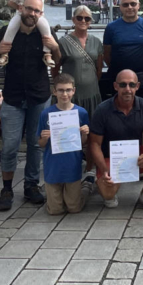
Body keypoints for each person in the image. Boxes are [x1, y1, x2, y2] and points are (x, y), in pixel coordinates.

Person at [0, 0, 61, 211]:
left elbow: (58, 61)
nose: (32, 14)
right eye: (29, 9)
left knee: (35, 144)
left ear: (41, 14)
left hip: (39, 96)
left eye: (37, 11)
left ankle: (31, 185)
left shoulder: (46, 33)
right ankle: (6, 188)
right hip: (13, 96)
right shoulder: (7, 32)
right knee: (11, 145)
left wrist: (55, 47)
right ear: (21, 9)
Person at [89, 70, 143, 212]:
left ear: (137, 86)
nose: (127, 89)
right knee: (109, 196)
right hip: (111, 158)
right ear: (115, 86)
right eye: (123, 85)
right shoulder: (103, 109)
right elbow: (94, 144)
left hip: (135, 156)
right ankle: (105, 180)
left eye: (131, 85)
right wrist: (104, 169)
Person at [58, 5, 104, 193]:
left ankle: (90, 169)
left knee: (93, 133)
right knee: (69, 134)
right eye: (80, 18)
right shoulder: (64, 42)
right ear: (73, 19)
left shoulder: (95, 42)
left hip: (92, 94)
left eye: (87, 18)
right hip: (70, 97)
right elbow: (56, 70)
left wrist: (89, 83)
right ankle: (70, 170)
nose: (83, 21)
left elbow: (99, 68)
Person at [37, 74, 90, 215]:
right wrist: (44, 138)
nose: (64, 94)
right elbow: (40, 144)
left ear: (74, 91)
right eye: (60, 90)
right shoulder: (46, 114)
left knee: (74, 208)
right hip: (53, 165)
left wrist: (84, 134)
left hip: (72, 164)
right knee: (55, 211)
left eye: (68, 90)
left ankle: (86, 186)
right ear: (54, 91)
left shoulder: (81, 113)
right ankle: (55, 195)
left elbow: (83, 143)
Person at [104, 0, 143, 100]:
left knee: (140, 110)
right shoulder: (111, 28)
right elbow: (106, 54)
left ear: (138, 5)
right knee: (117, 109)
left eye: (133, 4)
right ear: (120, 7)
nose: (129, 7)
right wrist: (117, 71)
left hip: (141, 78)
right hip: (117, 78)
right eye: (125, 4)